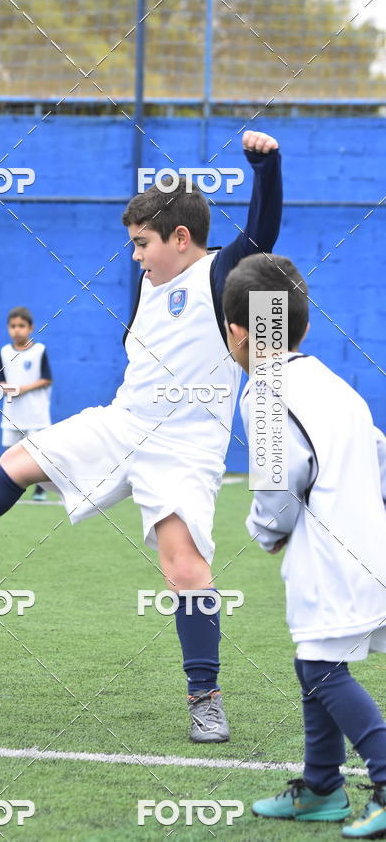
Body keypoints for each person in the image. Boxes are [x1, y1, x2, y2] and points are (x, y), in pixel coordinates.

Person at [0, 130, 282, 743]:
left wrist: (266, 168)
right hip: (121, 422)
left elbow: (262, 238)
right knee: (21, 459)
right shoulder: (147, 286)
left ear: (181, 239)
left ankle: (204, 697)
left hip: (184, 448)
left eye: (142, 243)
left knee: (185, 571)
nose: (134, 255)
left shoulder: (219, 275)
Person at [222, 253, 386, 838]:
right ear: (304, 326)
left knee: (321, 667)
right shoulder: (332, 382)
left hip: (330, 553)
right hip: (367, 544)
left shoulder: (263, 392)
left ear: (236, 333)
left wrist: (267, 532)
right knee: (315, 659)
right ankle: (322, 787)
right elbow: (379, 454)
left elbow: (277, 486)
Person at [0, 306, 53, 502]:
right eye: (13, 326)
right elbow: (1, 380)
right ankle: (8, 489)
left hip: (36, 413)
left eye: (21, 326)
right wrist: (5, 388)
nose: (17, 330)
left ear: (30, 328)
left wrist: (23, 389)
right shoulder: (4, 352)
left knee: (38, 453)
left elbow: (46, 379)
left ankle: (40, 489)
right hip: (12, 412)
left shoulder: (39, 351)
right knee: (11, 452)